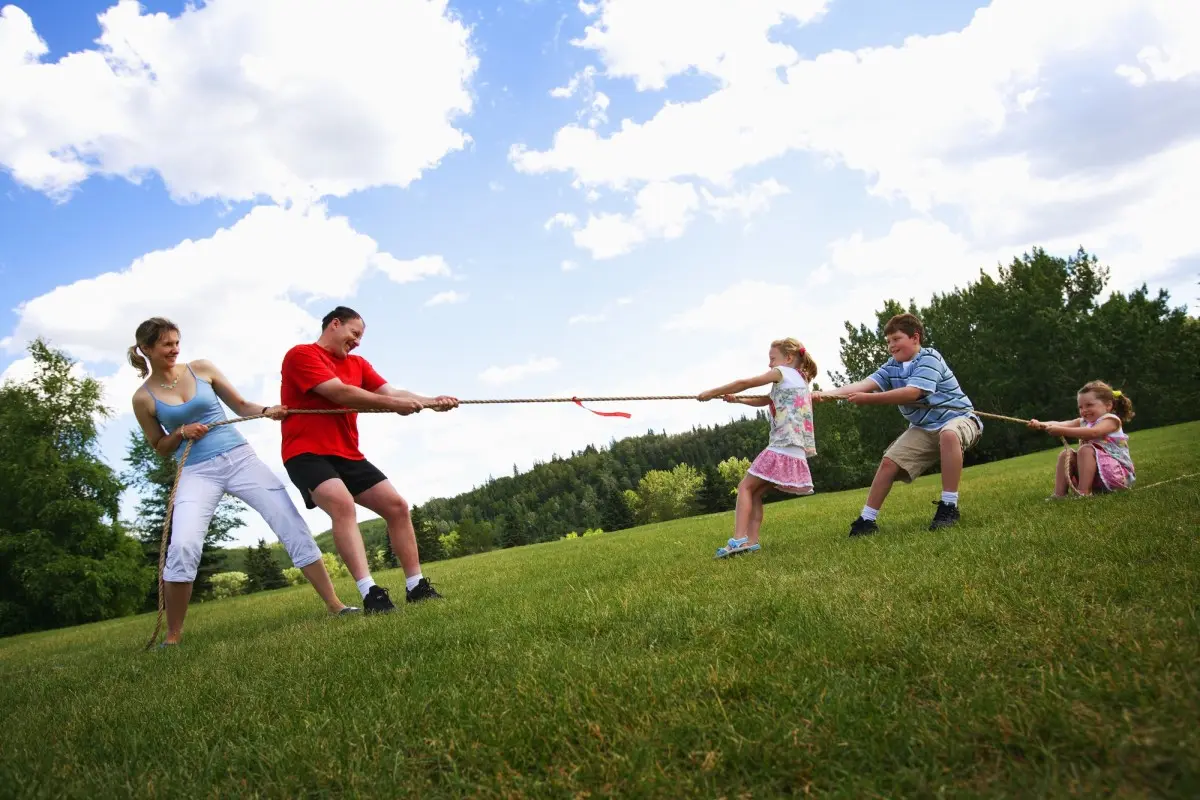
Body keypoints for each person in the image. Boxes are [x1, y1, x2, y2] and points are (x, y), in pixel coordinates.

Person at [129, 317, 358, 647]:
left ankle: (335, 605)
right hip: (197, 471)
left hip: (239, 458)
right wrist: (180, 432)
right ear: (147, 349)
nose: (175, 349)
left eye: (177, 342)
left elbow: (240, 405)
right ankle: (173, 636)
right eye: (167, 344)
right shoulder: (143, 398)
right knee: (183, 545)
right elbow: (160, 447)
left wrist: (267, 410)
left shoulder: (202, 369)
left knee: (287, 520)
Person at [279, 306, 459, 613]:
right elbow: (340, 394)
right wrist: (392, 405)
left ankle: (416, 587)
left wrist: (432, 402)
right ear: (334, 324)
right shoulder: (301, 355)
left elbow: (392, 391)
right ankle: (371, 594)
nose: (358, 342)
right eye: (354, 333)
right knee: (342, 503)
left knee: (397, 506)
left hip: (348, 453)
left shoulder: (359, 364)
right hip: (306, 452)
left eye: (361, 337)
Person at [813, 313, 982, 536]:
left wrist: (870, 399)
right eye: (888, 342)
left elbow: (913, 393)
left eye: (896, 339)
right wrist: (827, 394)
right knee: (889, 462)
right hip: (923, 429)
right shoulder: (892, 367)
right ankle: (866, 520)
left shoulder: (930, 358)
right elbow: (865, 384)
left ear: (915, 338)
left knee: (949, 435)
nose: (891, 346)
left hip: (959, 420)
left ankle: (949, 507)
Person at [698, 338, 819, 558]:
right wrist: (739, 401)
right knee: (754, 492)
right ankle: (751, 542)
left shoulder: (782, 372)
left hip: (783, 445)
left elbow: (744, 382)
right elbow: (767, 400)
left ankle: (737, 540)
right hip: (795, 448)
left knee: (745, 487)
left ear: (788, 358)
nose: (770, 365)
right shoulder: (800, 378)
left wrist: (711, 392)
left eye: (772, 359)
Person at [1028, 380, 1136, 498]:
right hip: (1097, 475)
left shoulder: (1111, 420)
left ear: (1108, 405)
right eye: (1081, 407)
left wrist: (1062, 431)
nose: (1084, 410)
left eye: (1089, 405)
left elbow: (1093, 432)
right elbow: (1060, 424)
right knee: (1066, 454)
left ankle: (1084, 492)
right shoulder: (1083, 421)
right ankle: (1059, 494)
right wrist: (1040, 424)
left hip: (1117, 476)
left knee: (1086, 450)